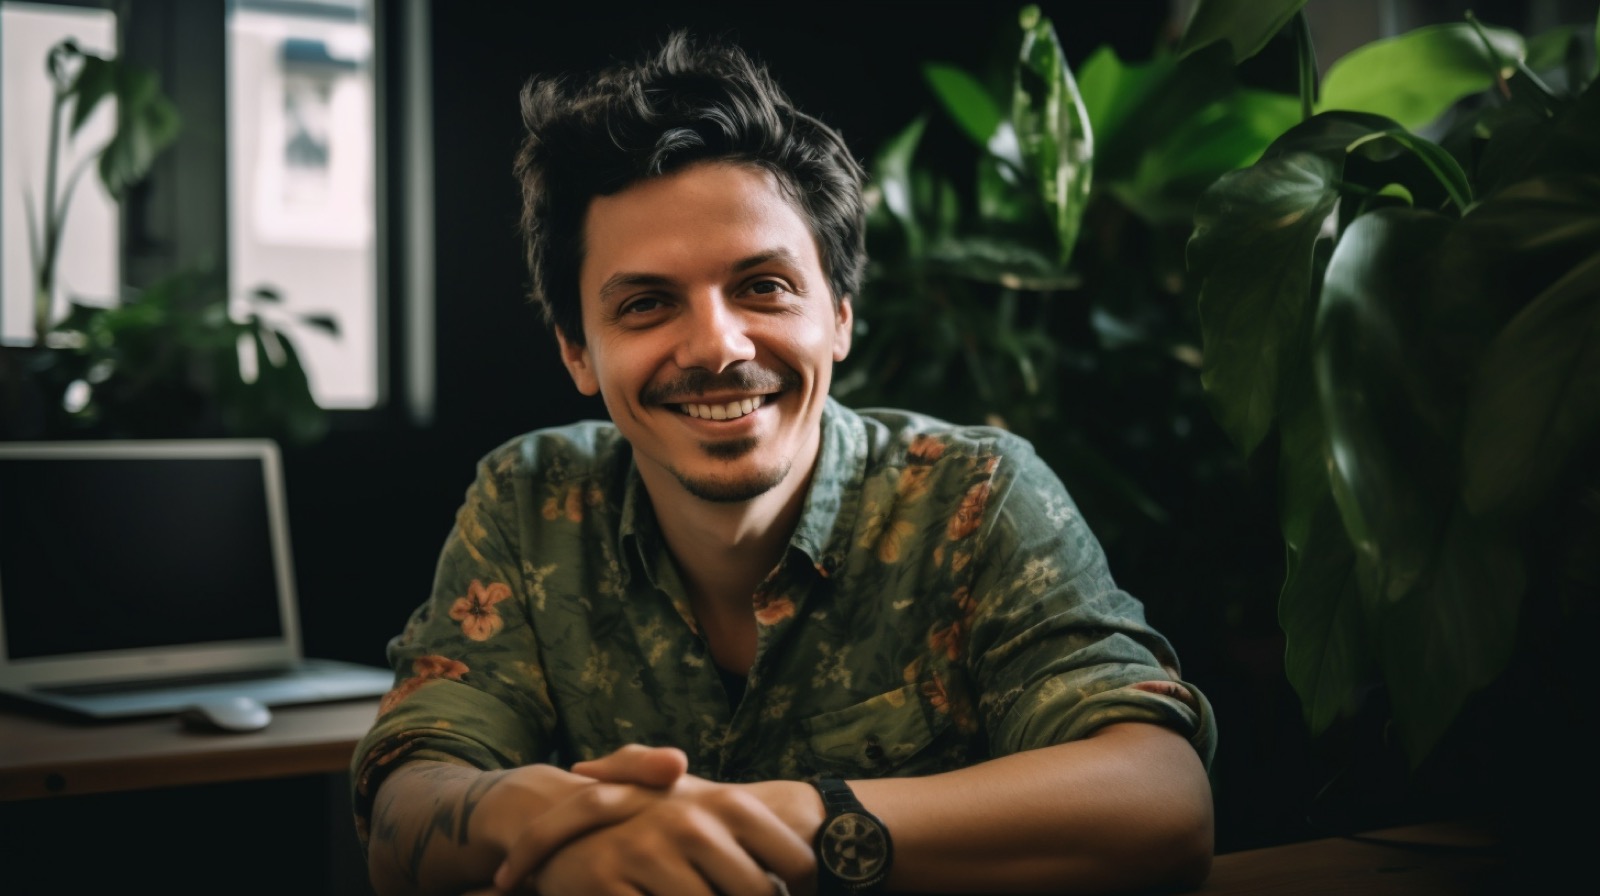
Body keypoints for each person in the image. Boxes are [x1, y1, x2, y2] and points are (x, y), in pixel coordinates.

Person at [350, 29, 1217, 896]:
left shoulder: (974, 496)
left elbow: (1163, 801)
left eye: (762, 287)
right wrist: (552, 823)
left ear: (839, 316)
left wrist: (793, 819)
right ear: (579, 353)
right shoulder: (529, 499)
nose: (719, 348)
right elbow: (405, 807)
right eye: (647, 304)